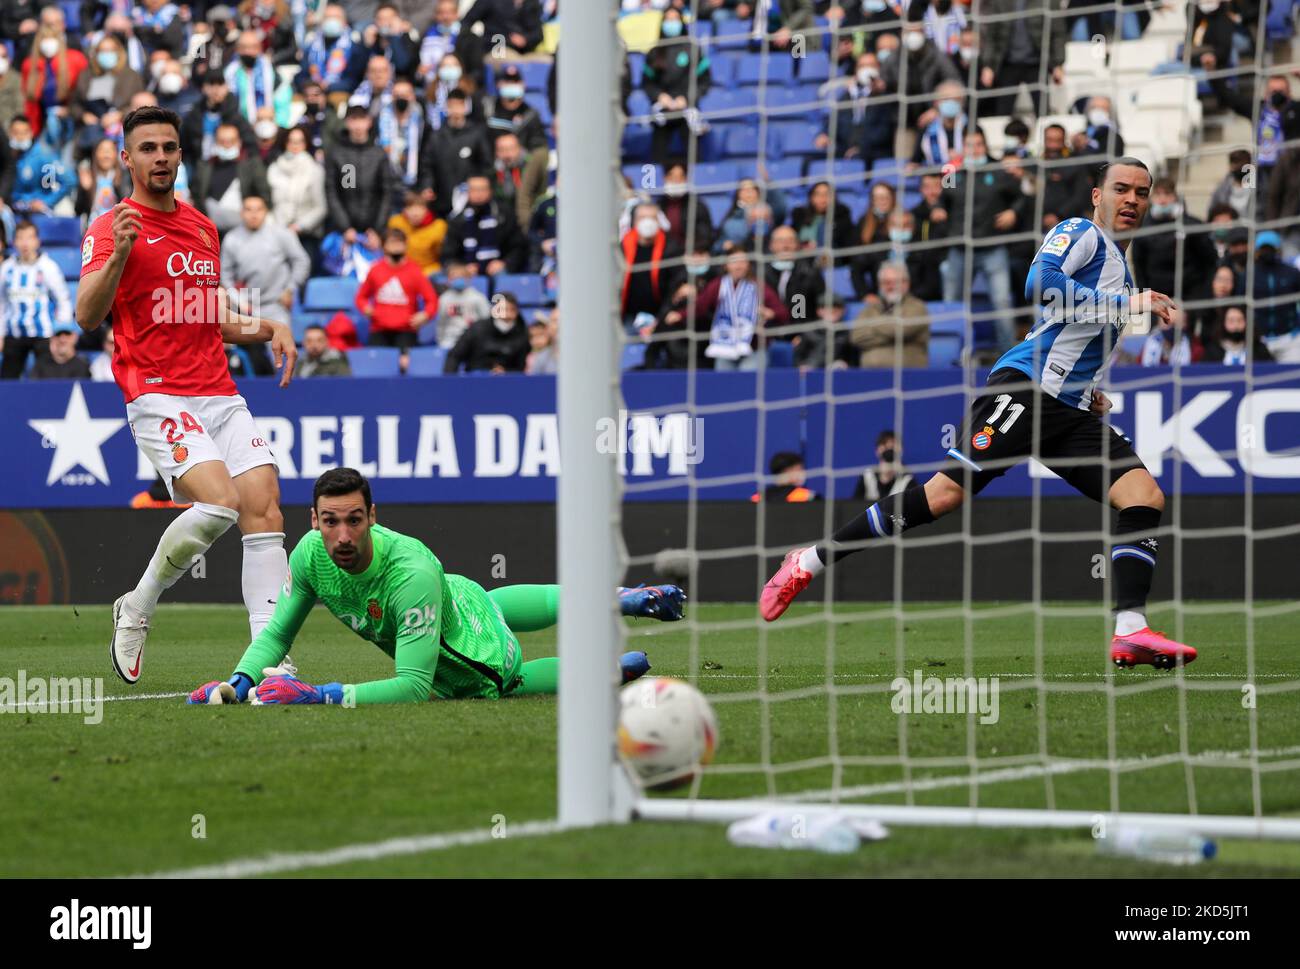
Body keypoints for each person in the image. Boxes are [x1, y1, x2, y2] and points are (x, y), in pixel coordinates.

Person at [762, 158, 1198, 670]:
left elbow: (1072, 329)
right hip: (1024, 391)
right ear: (1096, 195)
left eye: (1141, 193)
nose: (1131, 199)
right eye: (1120, 188)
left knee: (1143, 496)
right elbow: (1041, 286)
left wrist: (1091, 389)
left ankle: (1131, 631)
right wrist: (1130, 304)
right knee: (942, 495)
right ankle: (807, 561)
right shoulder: (1081, 232)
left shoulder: (1121, 266)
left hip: (1069, 407)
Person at [77, 105, 298, 684]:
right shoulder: (110, 226)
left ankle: (269, 660)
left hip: (216, 390)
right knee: (220, 500)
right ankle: (139, 604)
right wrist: (121, 253)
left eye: (168, 148)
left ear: (180, 155)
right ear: (126, 158)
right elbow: (86, 316)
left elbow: (206, 316)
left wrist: (266, 325)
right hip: (155, 390)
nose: (159, 158)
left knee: (264, 504)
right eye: (146, 148)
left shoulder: (203, 228)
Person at [187, 468, 680, 705]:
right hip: (460, 595)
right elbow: (276, 634)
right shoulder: (310, 554)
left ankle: (605, 667)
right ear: (313, 520)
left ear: (372, 517)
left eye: (354, 521)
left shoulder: (410, 576)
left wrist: (320, 696)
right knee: (488, 601)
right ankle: (614, 611)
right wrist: (239, 683)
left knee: (510, 678)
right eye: (330, 522)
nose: (342, 536)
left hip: (473, 658)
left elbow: (416, 685)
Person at [219, 193, 311, 328]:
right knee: (237, 342)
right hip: (246, 306)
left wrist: (290, 289)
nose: (254, 215)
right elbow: (224, 275)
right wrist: (238, 300)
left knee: (279, 346)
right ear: (241, 213)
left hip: (276, 305)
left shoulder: (282, 234)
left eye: (258, 209)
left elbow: (302, 261)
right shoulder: (232, 239)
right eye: (249, 210)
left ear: (266, 212)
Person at [0, 219, 73, 378]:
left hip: (42, 334)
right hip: (14, 334)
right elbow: (2, 303)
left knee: (46, 377)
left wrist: (60, 331)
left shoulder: (48, 267)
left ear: (37, 241)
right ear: (14, 242)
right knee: (7, 381)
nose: (25, 243)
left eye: (29, 238)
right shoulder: (6, 269)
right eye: (20, 238)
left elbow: (63, 299)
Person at [693, 250, 789, 370]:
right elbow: (699, 308)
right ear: (726, 265)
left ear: (748, 265)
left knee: (748, 380)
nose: (738, 265)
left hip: (754, 348)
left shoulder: (759, 286)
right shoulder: (717, 286)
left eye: (742, 261)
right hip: (725, 347)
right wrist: (679, 314)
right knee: (724, 383)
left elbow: (784, 313)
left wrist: (771, 313)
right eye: (734, 261)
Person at [355, 227, 438, 358]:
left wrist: (425, 315)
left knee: (406, 365)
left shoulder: (414, 271)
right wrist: (366, 308)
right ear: (383, 246)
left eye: (400, 242)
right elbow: (361, 297)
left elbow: (432, 300)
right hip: (379, 328)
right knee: (375, 365)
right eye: (392, 242)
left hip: (406, 330)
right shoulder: (376, 270)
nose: (396, 246)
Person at [850, 260, 931, 367]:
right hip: (870, 377)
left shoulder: (918, 307)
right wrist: (890, 333)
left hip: (909, 376)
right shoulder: (869, 309)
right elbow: (856, 336)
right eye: (886, 282)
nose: (891, 286)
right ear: (879, 285)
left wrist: (872, 324)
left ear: (906, 283)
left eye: (896, 282)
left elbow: (900, 330)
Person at [444, 291, 530, 373]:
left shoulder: (522, 333)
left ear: (516, 311)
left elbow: (522, 367)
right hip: (475, 381)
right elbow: (454, 356)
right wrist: (450, 382)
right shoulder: (477, 329)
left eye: (511, 309)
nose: (506, 314)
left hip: (510, 383)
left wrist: (506, 373)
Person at [434, 260, 491, 348]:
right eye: (454, 277)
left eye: (461, 277)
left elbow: (487, 320)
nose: (457, 280)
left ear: (468, 278)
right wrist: (440, 341)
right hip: (450, 340)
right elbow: (441, 322)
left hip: (473, 339)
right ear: (448, 280)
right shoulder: (444, 299)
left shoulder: (478, 297)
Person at [1201, 304, 1274, 365]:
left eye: (1240, 321)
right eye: (1231, 321)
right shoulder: (1212, 351)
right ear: (1223, 324)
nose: (1236, 325)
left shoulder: (1259, 349)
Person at [853, 430, 914, 502]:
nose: (889, 446)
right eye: (884, 443)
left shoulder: (907, 479)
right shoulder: (867, 476)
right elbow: (854, 505)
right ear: (877, 451)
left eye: (893, 444)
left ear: (901, 450)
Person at [751, 452, 820, 502]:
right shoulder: (808, 497)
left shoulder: (758, 497)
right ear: (785, 471)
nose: (803, 473)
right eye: (799, 469)